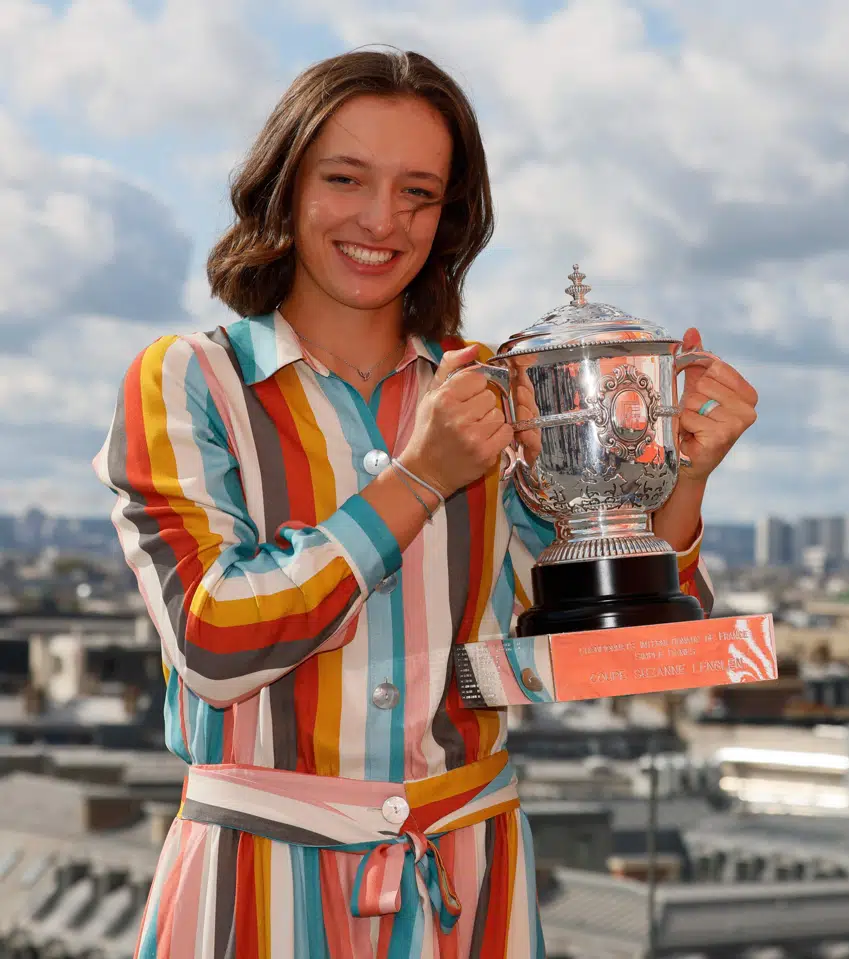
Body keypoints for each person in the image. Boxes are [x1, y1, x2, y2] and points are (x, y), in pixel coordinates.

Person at [93, 47, 758, 959]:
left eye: (419, 192)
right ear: (285, 186)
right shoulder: (191, 380)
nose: (381, 220)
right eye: (345, 178)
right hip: (256, 881)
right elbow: (214, 639)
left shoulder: (492, 391)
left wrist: (683, 477)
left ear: (451, 216)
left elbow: (595, 648)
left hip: (467, 882)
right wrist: (417, 478)